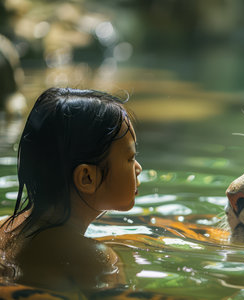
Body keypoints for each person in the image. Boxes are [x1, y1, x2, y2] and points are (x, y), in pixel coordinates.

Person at [0, 88, 142, 294]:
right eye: (130, 158)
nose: (138, 168)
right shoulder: (95, 260)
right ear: (87, 178)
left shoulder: (5, 227)